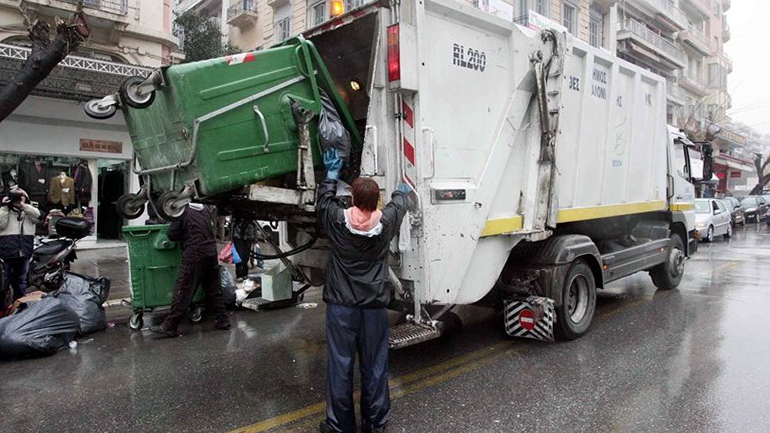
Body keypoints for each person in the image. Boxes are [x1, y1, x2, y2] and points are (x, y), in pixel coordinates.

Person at [317, 147, 411, 433]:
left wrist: (331, 175)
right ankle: (375, 425)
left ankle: (339, 427)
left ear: (354, 199)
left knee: (340, 368)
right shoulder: (385, 223)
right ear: (376, 201)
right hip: (373, 309)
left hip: (341, 308)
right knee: (375, 368)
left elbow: (323, 203)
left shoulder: (336, 220)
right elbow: (400, 202)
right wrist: (402, 188)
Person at [150, 202, 231, 339]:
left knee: (183, 290)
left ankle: (169, 326)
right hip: (210, 252)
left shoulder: (181, 211)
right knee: (213, 289)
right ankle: (223, 320)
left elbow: (172, 234)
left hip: (195, 253)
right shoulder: (204, 209)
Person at [0, 187, 40, 303]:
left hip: (24, 252)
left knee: (21, 281)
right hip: (6, 252)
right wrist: (4, 207)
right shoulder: (5, 211)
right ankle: (3, 307)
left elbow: (38, 216)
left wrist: (24, 205)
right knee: (4, 282)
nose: (17, 200)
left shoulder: (28, 211)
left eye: (20, 197)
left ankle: (19, 306)